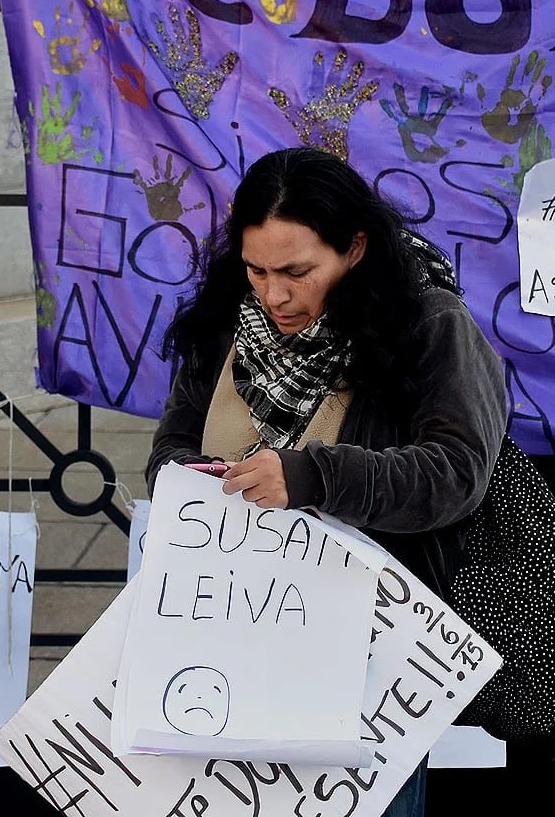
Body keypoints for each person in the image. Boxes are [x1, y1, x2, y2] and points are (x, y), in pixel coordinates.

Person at [145, 146, 507, 817]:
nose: (274, 294)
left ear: (356, 248)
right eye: (256, 268)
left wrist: (311, 476)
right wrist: (195, 480)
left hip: (368, 660)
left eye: (297, 271)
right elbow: (173, 441)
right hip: (228, 637)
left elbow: (456, 472)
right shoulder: (230, 317)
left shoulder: (428, 325)